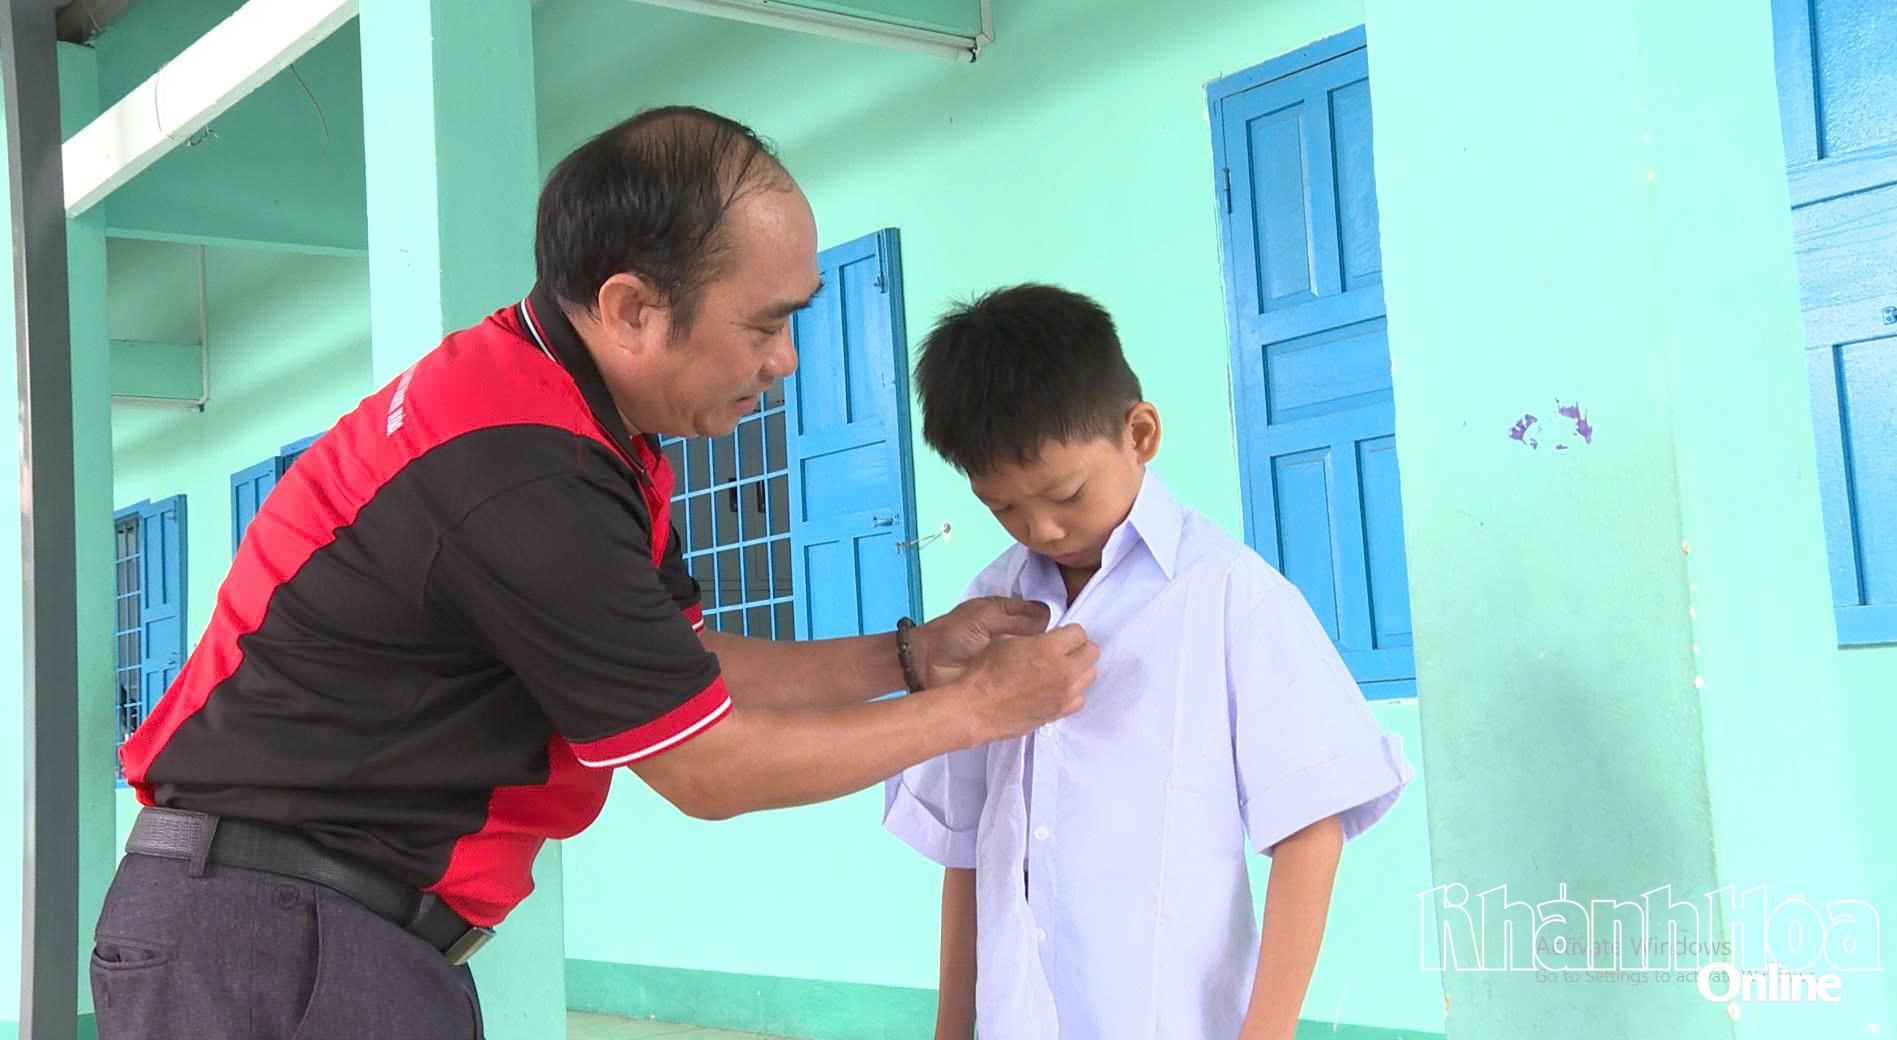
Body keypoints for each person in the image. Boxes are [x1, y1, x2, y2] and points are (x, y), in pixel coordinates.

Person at [92, 109, 1097, 1040]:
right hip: (270, 938)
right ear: (630, 308)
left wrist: (915, 654)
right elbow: (707, 768)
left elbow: (688, 664)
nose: (786, 359)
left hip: (305, 926)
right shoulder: (522, 472)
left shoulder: (573, 423)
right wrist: (983, 710)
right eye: (762, 323)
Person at [882, 284, 1415, 1040]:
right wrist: (949, 1028)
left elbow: (1309, 831)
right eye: (1001, 507)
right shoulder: (988, 609)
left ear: (1139, 433)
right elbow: (966, 843)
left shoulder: (1227, 594)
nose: (1041, 527)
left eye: (1064, 493)